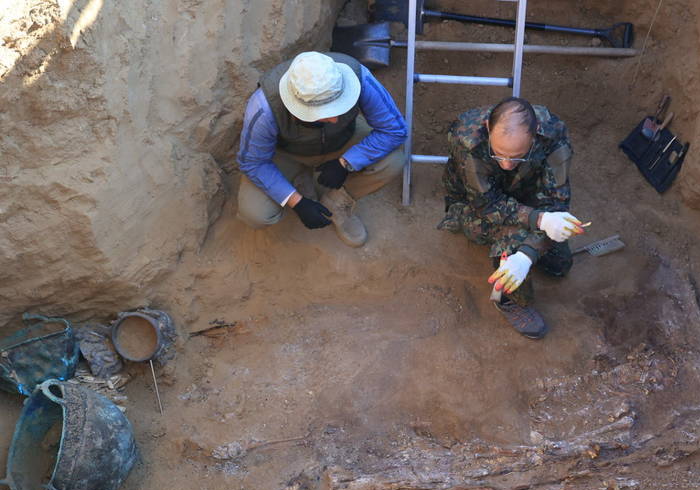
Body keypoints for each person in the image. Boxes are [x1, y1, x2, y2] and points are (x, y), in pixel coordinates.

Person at [439, 97, 584, 339]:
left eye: (517, 156)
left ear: (535, 134)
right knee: (512, 238)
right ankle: (509, 299)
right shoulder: (467, 141)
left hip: (525, 193)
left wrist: (533, 246)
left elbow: (556, 201)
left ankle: (525, 251)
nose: (506, 164)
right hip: (474, 205)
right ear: (487, 128)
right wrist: (537, 226)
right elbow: (488, 205)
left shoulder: (553, 134)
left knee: (559, 265)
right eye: (499, 155)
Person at [236, 51, 406, 247]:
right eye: (325, 114)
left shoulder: (358, 77)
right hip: (287, 153)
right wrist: (296, 202)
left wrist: (347, 162)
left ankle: (336, 202)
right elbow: (253, 162)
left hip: (342, 141)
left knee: (393, 161)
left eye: (339, 105)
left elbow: (394, 130)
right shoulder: (264, 107)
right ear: (295, 106)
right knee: (255, 213)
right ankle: (298, 181)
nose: (335, 119)